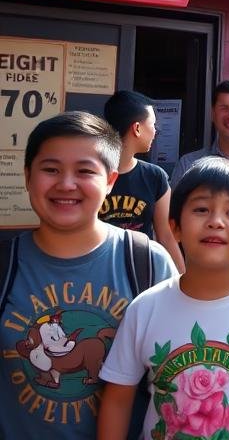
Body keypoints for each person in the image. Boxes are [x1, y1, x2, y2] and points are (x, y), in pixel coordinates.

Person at [97, 158, 229, 440]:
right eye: (201, 209)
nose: (215, 222)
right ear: (174, 227)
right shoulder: (145, 307)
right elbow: (117, 399)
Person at [0, 112, 176, 440]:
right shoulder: (6, 265)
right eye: (50, 169)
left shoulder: (148, 263)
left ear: (110, 181)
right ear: (27, 177)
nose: (66, 184)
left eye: (84, 171)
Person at [101, 90, 184, 271]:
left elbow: (166, 237)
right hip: (99, 268)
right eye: (153, 124)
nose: (156, 131)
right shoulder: (92, 174)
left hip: (140, 271)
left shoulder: (155, 177)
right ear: (137, 128)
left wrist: (183, 281)